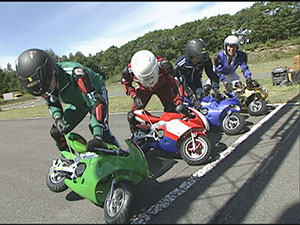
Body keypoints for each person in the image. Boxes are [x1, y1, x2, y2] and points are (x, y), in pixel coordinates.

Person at [15, 48, 115, 153]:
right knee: (56, 132)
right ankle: (69, 159)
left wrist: (97, 137)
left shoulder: (75, 73)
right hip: (77, 103)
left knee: (102, 132)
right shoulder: (42, 86)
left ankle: (121, 157)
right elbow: (52, 102)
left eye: (48, 85)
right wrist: (58, 118)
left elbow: (95, 103)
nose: (49, 90)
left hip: (95, 94)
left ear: (51, 71)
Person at [121, 49, 186, 133]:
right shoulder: (128, 71)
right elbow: (126, 83)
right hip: (143, 89)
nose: (149, 80)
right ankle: (136, 135)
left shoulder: (164, 65)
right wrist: (134, 96)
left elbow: (176, 84)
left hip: (163, 86)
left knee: (173, 110)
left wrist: (179, 102)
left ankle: (174, 133)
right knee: (132, 115)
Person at [174, 38, 221, 109]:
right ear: (191, 56)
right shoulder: (181, 64)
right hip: (182, 84)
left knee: (200, 97)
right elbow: (182, 84)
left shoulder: (205, 60)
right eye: (198, 58)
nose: (200, 60)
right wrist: (192, 99)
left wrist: (216, 89)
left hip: (196, 81)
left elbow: (212, 75)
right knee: (184, 104)